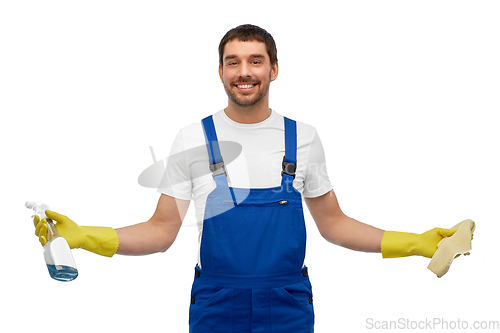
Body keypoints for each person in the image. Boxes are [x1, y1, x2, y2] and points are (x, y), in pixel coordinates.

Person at [33, 24, 458, 333]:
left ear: (274, 69)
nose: (244, 71)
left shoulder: (303, 138)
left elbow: (334, 224)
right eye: (232, 62)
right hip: (216, 305)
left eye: (256, 60)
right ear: (220, 72)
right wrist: (83, 237)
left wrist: (415, 243)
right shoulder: (193, 137)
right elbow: (161, 231)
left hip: (288, 305)